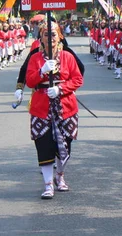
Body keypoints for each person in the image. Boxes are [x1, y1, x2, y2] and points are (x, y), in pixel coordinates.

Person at [26, 21, 83, 199]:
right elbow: (29, 81)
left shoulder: (68, 57)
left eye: (53, 34)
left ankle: (60, 176)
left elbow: (77, 79)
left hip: (65, 106)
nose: (50, 38)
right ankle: (48, 184)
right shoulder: (35, 58)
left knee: (65, 143)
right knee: (43, 144)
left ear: (59, 36)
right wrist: (42, 71)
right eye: (45, 34)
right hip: (41, 107)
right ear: (40, 38)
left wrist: (61, 89)